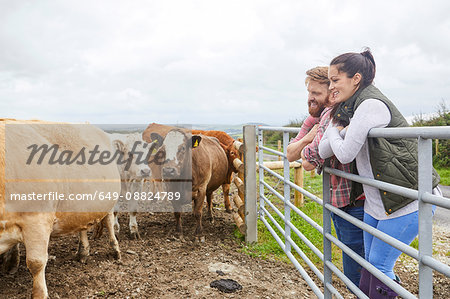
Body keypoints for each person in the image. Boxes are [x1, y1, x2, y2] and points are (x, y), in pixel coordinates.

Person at [319, 48, 440, 298]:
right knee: (371, 267)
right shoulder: (350, 107)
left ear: (356, 79)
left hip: (408, 199)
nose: (330, 86)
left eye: (335, 80)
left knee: (378, 266)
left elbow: (344, 154)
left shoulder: (370, 104)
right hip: (379, 202)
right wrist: (337, 130)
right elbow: (322, 150)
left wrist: (334, 131)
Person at [288, 66, 365, 288]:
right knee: (360, 262)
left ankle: (386, 289)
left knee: (359, 268)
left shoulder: (336, 115)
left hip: (355, 198)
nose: (310, 99)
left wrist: (308, 145)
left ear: (331, 93)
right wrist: (308, 138)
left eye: (316, 94)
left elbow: (307, 162)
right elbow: (290, 153)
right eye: (309, 93)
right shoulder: (314, 119)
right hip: (338, 199)